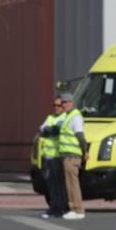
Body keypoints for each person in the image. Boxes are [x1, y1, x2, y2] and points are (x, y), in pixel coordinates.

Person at [58, 92, 87, 220]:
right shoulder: (67, 116)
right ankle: (73, 208)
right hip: (67, 156)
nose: (62, 105)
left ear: (71, 102)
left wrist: (84, 151)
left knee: (73, 184)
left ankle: (78, 209)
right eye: (62, 103)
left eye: (64, 102)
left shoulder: (75, 117)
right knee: (69, 183)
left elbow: (80, 136)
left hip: (72, 156)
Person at [38, 97, 69, 219]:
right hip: (48, 156)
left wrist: (49, 130)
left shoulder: (64, 118)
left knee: (59, 184)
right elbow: (42, 129)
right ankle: (54, 207)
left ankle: (61, 207)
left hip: (58, 155)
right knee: (51, 184)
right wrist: (48, 130)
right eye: (54, 105)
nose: (56, 107)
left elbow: (57, 130)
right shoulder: (50, 117)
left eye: (59, 105)